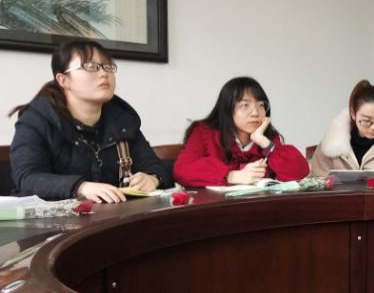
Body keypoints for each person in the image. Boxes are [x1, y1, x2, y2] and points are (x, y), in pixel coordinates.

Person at [8, 39, 172, 202]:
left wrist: (153, 178)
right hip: (54, 217)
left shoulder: (122, 120)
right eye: (91, 66)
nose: (103, 73)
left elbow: (155, 165)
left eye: (108, 66)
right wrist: (80, 187)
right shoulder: (36, 120)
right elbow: (27, 178)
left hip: (113, 214)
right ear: (63, 80)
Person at [173, 77, 309, 187]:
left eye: (261, 105)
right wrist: (233, 175)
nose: (255, 113)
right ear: (227, 109)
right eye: (245, 105)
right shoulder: (204, 132)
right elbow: (182, 170)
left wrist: (264, 142)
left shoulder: (267, 137)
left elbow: (300, 172)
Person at [310, 80, 374, 176]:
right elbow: (316, 180)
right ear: (353, 114)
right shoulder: (331, 143)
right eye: (366, 121)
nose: (373, 127)